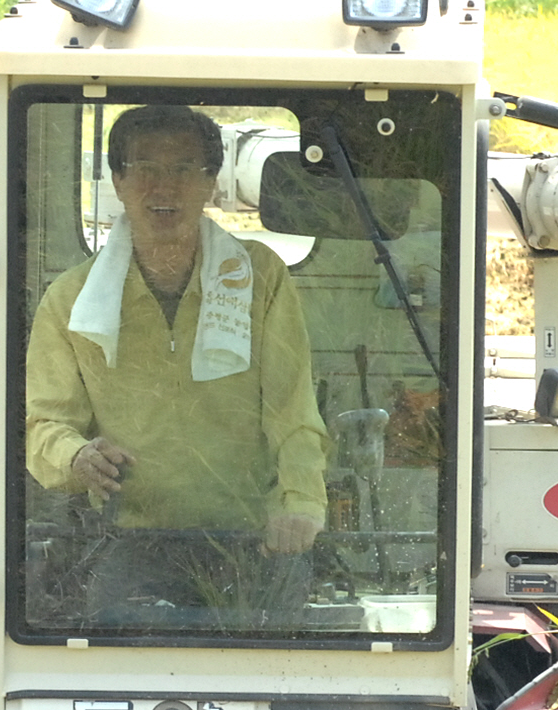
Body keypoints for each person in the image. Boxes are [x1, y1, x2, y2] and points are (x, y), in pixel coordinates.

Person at [25, 105, 330, 621]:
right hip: (129, 537)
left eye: (184, 169)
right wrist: (76, 457)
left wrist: (300, 503)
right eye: (145, 167)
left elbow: (293, 410)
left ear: (210, 182)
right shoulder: (71, 299)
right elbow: (44, 425)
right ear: (118, 181)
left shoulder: (260, 277)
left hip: (254, 537)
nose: (163, 187)